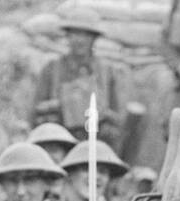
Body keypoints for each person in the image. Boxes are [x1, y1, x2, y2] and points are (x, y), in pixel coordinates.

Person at [32, 6, 125, 148]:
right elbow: (35, 110)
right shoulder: (52, 69)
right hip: (59, 142)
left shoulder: (107, 72)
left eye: (86, 35)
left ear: (94, 38)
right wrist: (63, 104)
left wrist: (100, 111)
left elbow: (118, 117)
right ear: (67, 36)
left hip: (97, 143)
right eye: (75, 34)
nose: (80, 40)